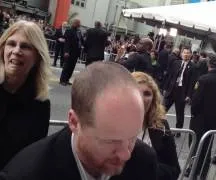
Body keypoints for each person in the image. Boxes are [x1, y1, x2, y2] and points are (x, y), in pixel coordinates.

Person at [0, 62, 158, 180]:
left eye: (132, 138)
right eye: (111, 141)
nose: (126, 154)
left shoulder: (144, 161)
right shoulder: (27, 174)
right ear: (74, 122)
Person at [0, 20, 51, 169]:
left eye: (25, 46)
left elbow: (31, 160)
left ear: (37, 57)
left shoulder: (40, 105)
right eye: (11, 44)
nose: (16, 51)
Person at [132, 72, 180, 180]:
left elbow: (174, 170)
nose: (141, 98)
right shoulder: (114, 123)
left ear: (153, 100)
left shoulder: (160, 125)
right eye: (135, 92)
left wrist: (149, 168)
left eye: (147, 94)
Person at [187, 56, 216, 180]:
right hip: (213, 119)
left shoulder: (203, 79)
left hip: (199, 117)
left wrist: (193, 112)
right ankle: (203, 173)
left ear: (209, 64)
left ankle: (193, 172)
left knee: (195, 144)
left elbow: (196, 99)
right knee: (207, 146)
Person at [163, 47, 197, 136]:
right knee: (163, 108)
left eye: (188, 53)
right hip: (172, 89)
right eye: (184, 52)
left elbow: (192, 82)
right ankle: (157, 124)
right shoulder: (176, 63)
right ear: (181, 54)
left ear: (190, 55)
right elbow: (170, 76)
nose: (186, 54)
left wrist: (189, 95)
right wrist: (165, 88)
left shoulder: (193, 67)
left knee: (180, 113)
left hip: (182, 92)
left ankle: (178, 131)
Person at [60, 19, 84, 86]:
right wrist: (66, 51)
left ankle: (67, 79)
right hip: (70, 52)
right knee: (67, 66)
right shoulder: (69, 31)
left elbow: (81, 41)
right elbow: (67, 42)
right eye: (79, 23)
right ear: (75, 23)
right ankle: (62, 80)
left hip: (76, 52)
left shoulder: (78, 32)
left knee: (72, 67)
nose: (80, 24)